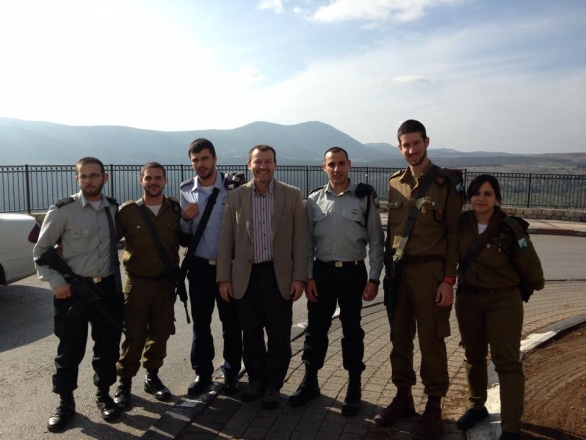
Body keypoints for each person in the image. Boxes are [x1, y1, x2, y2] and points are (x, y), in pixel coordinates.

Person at [374, 120, 464, 440]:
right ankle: (403, 398)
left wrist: (448, 280)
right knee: (399, 338)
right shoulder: (394, 182)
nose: (411, 150)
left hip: (431, 274)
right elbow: (392, 234)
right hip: (399, 273)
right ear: (399, 147)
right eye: (405, 145)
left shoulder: (446, 184)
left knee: (431, 340)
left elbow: (454, 235)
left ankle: (434, 406)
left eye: (416, 143)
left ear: (426, 141)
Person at [289, 147, 384, 416]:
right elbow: (307, 243)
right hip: (322, 273)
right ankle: (311, 382)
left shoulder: (364, 199)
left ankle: (354, 387)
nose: (337, 169)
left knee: (352, 330)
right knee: (316, 330)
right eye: (331, 164)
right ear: (324, 167)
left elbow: (376, 242)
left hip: (353, 273)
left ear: (349, 165)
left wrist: (374, 278)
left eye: (341, 164)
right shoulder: (315, 200)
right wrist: (308, 275)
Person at [34, 157, 123, 432]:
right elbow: (41, 252)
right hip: (71, 292)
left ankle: (104, 394)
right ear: (77, 180)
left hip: (106, 288)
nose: (89, 181)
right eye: (83, 176)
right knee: (69, 350)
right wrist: (56, 281)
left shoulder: (113, 208)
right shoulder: (63, 211)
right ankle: (65, 402)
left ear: (104, 178)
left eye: (94, 175)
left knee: (107, 347)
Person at [216, 144, 307, 410]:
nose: (263, 166)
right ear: (249, 165)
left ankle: (274, 385)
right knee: (251, 332)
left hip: (278, 275)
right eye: (258, 162)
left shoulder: (292, 195)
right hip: (246, 276)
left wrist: (299, 276)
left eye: (268, 161)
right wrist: (224, 278)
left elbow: (300, 241)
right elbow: (226, 242)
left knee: (279, 334)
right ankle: (255, 379)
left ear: (275, 165)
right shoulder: (235, 197)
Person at [455, 175, 544, 440]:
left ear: (497, 198)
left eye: (488, 193)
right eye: (476, 193)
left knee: (506, 362)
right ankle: (476, 406)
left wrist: (521, 291)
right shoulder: (461, 225)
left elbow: (533, 272)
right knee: (473, 355)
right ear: (469, 198)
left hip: (503, 301)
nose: (481, 198)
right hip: (468, 300)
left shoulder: (511, 228)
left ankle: (512, 426)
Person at [113, 162, 184, 407]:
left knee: (161, 332)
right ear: (140, 181)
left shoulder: (176, 209)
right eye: (148, 178)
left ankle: (152, 377)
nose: (153, 182)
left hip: (165, 284)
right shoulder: (127, 212)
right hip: (137, 283)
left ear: (165, 180)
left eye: (158, 178)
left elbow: (187, 238)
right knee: (133, 334)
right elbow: (105, 241)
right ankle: (124, 384)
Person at [179, 138, 242, 396]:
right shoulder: (186, 190)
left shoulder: (234, 187)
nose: (200, 164)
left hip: (229, 267)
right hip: (201, 268)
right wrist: (184, 220)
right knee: (201, 324)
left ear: (215, 159)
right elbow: (184, 236)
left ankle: (231, 372)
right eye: (195, 160)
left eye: (205, 158)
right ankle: (202, 373)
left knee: (231, 323)